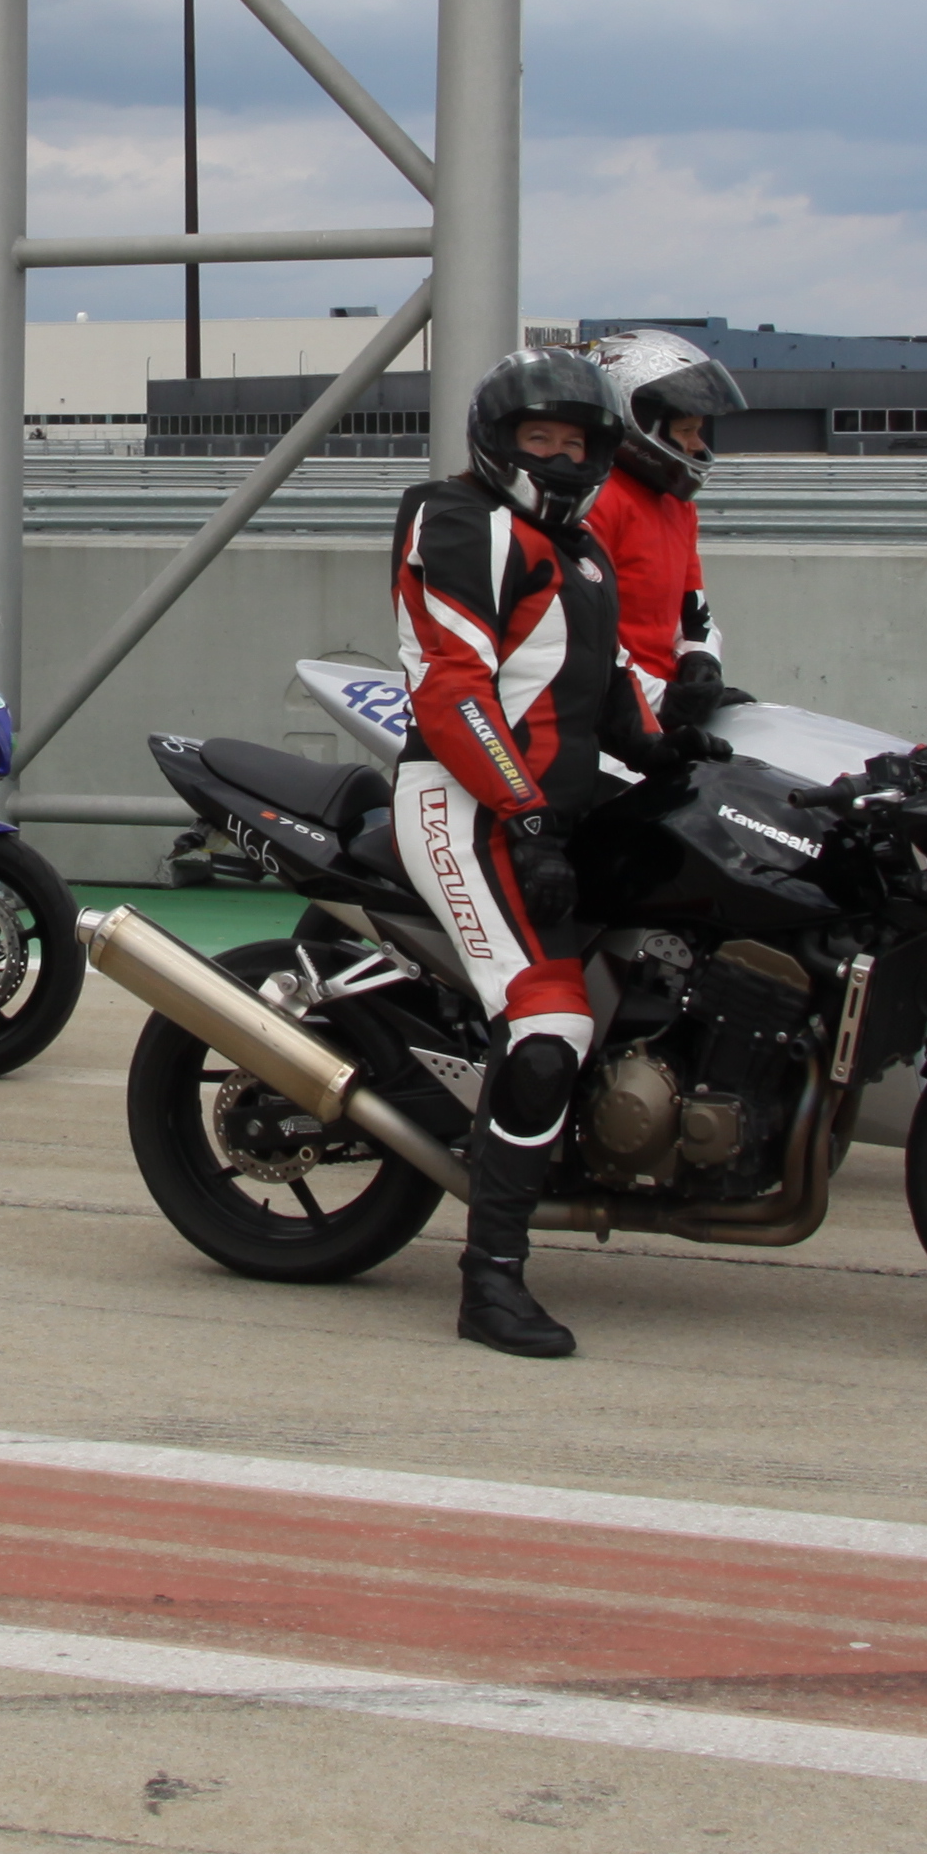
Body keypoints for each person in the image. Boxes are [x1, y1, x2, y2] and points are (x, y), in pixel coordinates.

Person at [389, 346, 665, 1359]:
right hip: (464, 804)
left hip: (546, 811)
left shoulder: (579, 550)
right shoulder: (457, 519)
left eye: (575, 443)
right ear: (497, 441)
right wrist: (529, 815)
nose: (557, 457)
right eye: (538, 438)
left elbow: (613, 692)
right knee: (550, 1022)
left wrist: (693, 739)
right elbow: (453, 689)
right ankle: (491, 1280)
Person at [578, 327, 749, 733]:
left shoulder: (678, 505)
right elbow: (577, 635)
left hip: (662, 705)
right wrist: (660, 699)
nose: (696, 444)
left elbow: (694, 612)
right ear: (637, 424)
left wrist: (702, 661)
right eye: (686, 431)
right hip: (608, 715)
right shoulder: (594, 503)